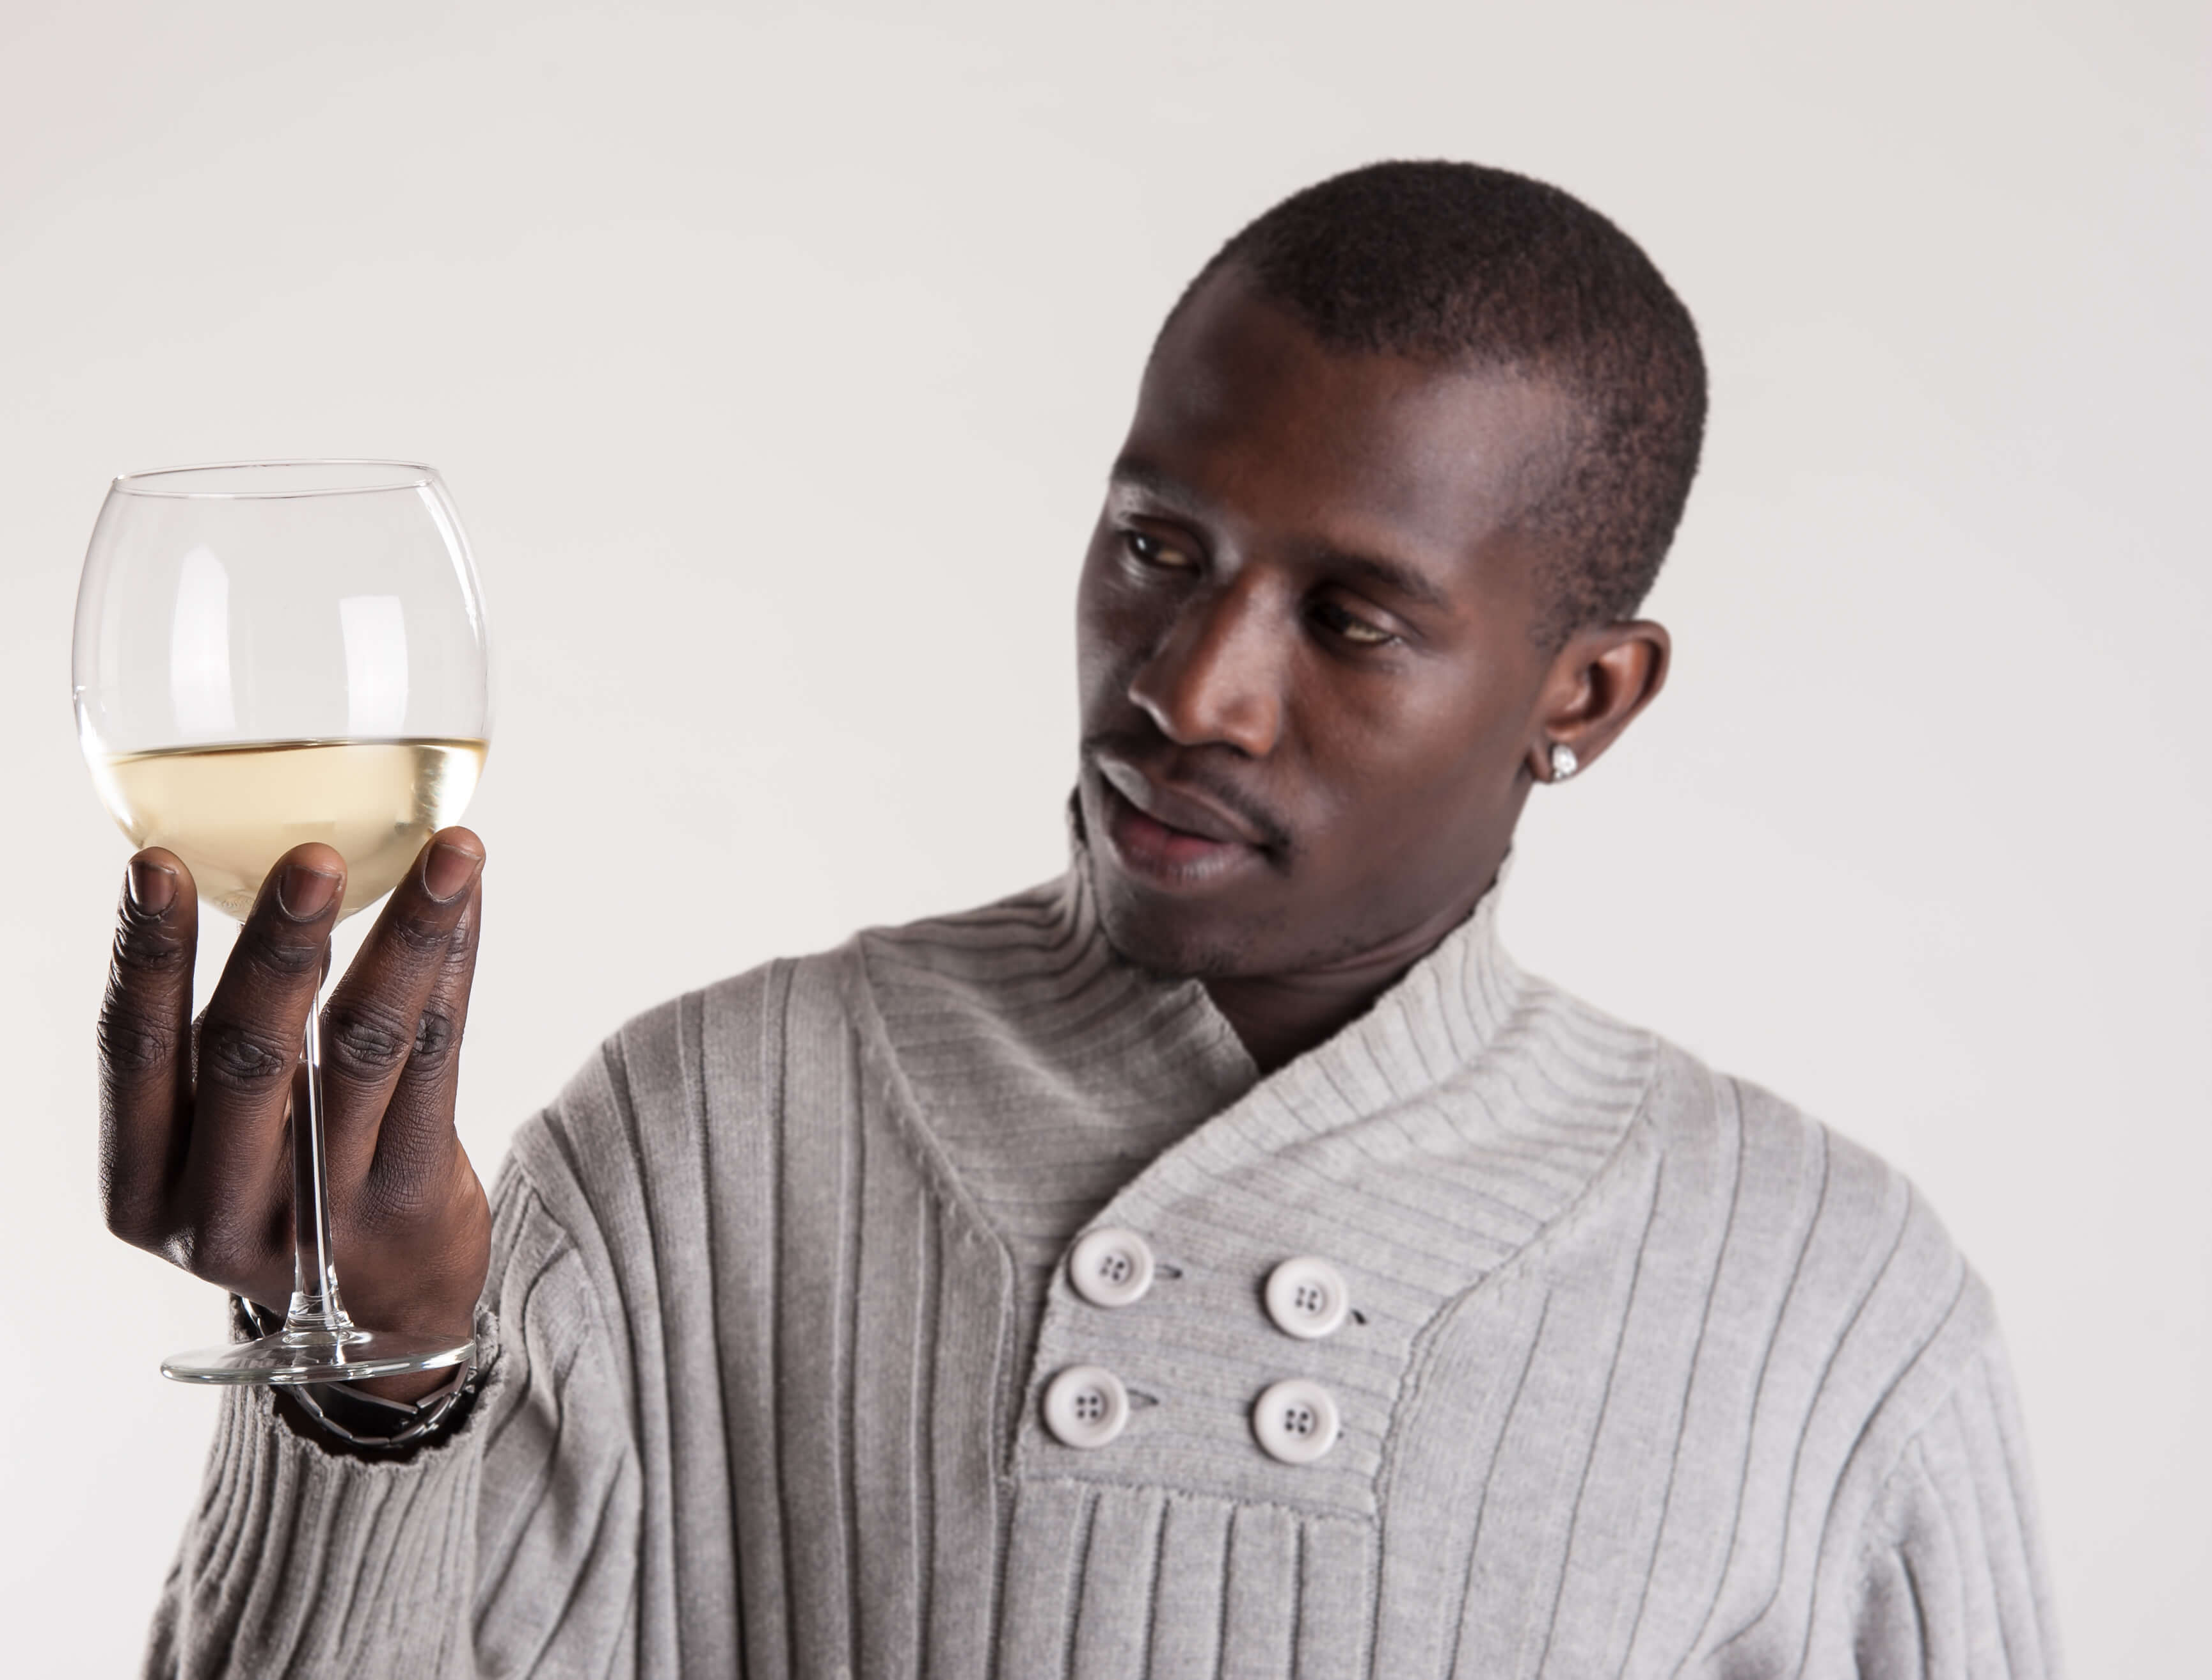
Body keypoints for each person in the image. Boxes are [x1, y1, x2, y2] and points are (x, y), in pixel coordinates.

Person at [100, 162, 2057, 1677]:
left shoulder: (1828, 1301)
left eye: (1348, 619)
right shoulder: (701, 1135)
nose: (1190, 688)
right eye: (1153, 547)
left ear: (1586, 694)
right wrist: (371, 1374)